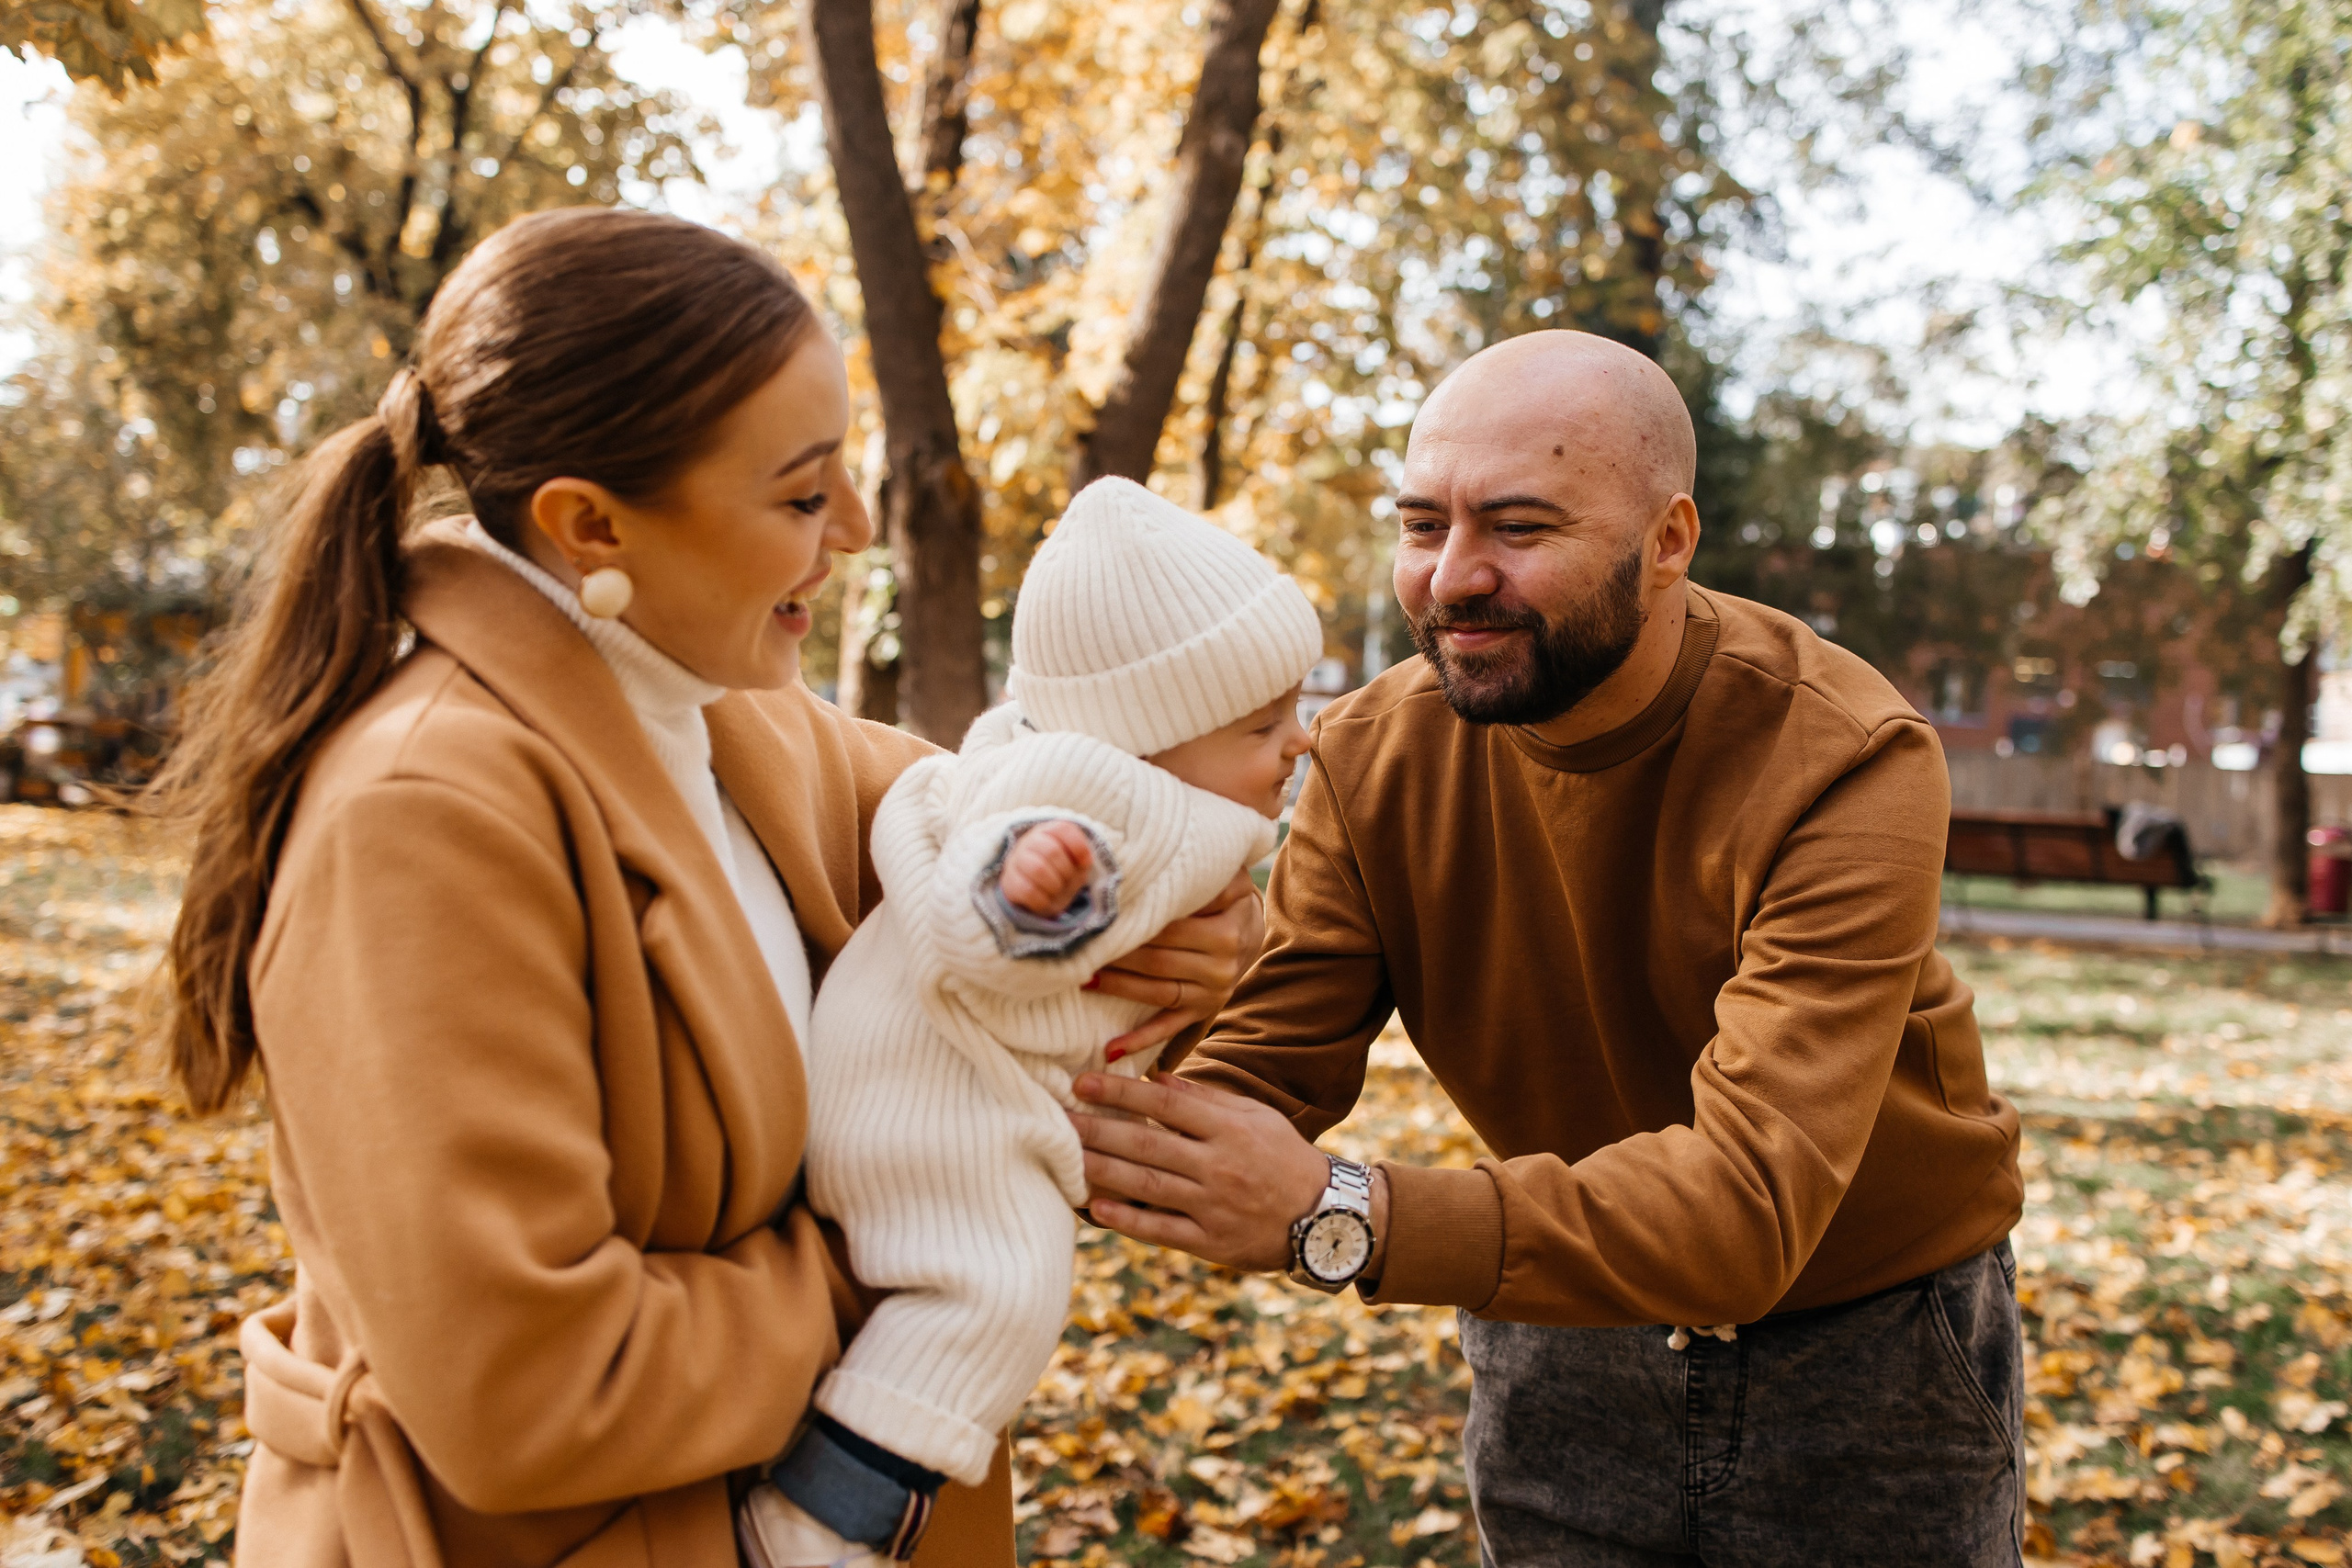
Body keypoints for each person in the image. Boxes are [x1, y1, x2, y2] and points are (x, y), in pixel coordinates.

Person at [153, 208, 1262, 1568]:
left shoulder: (740, 719)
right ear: (589, 523)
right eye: (802, 494)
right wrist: (912, 1264)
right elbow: (531, 1386)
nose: (855, 526)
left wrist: (1201, 927)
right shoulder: (424, 818)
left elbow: (1074, 865)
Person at [1070, 330, 2028, 1565]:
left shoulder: (1844, 750)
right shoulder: (1371, 754)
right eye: (1423, 525)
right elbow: (1261, 1066)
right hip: (1553, 1319)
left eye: (1516, 527)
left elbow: (1746, 1210)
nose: (1452, 578)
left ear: (1669, 540)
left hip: (1871, 1349)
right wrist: (1123, 1024)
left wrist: (1340, 1210)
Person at [742, 476, 1320, 1567]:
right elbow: (984, 913)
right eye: (1262, 723)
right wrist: (1028, 894)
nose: (1297, 743)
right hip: (945, 1101)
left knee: (993, 1296)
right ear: (1150, 738)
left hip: (928, 1078)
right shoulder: (1097, 800)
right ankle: (818, 1524)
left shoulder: (1075, 767)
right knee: (995, 1297)